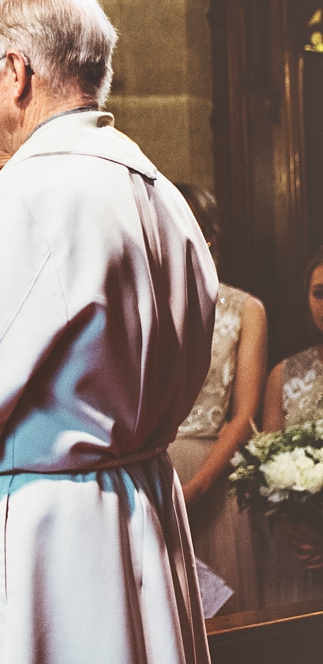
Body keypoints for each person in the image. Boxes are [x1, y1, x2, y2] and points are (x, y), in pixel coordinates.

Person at [0, 0, 217, 664]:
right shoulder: (160, 194)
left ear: (16, 72)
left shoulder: (22, 196)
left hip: (46, 537)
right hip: (144, 504)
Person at [164, 183, 265, 613]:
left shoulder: (245, 309)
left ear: (210, 235)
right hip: (156, 472)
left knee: (225, 624)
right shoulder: (143, 303)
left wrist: (199, 485)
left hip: (215, 473)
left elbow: (244, 415)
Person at [259, 245, 323, 606]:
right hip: (299, 543)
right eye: (320, 292)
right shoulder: (284, 374)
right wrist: (294, 528)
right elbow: (267, 469)